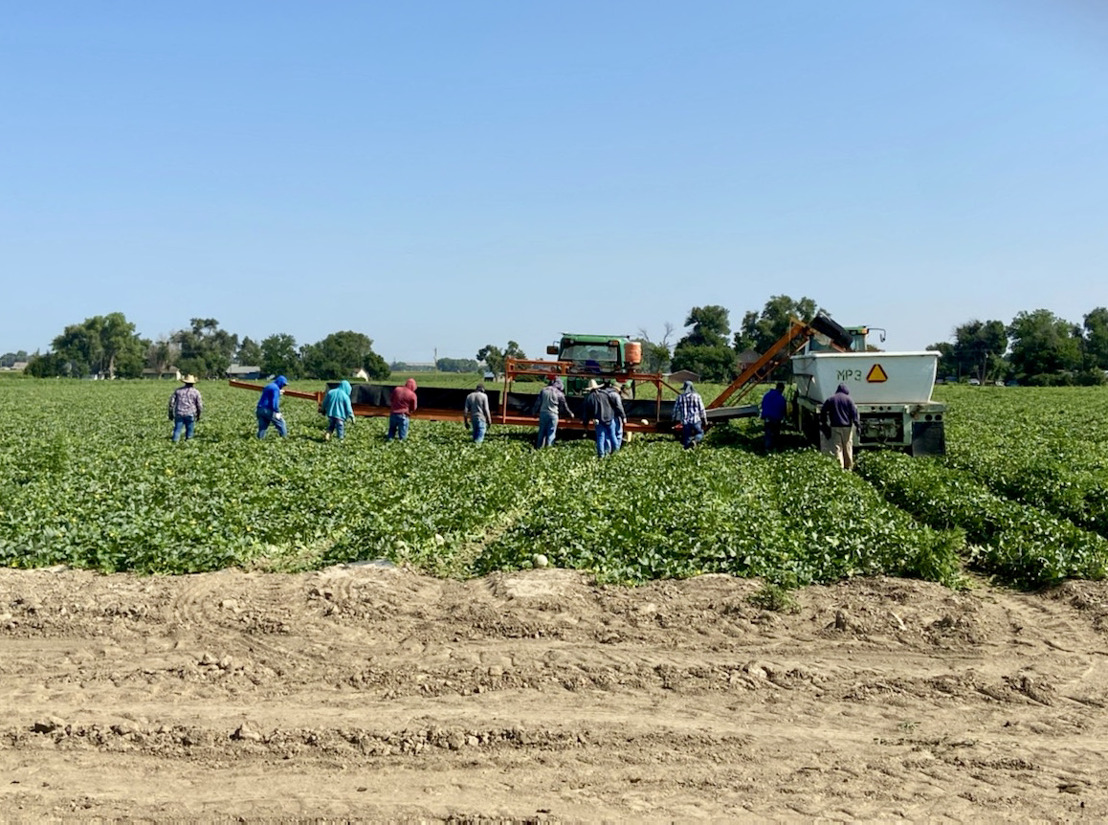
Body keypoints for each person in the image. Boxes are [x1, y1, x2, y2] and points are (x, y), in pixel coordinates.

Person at [820, 382, 860, 469]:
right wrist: (857, 425)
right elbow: (854, 413)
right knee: (847, 446)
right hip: (847, 427)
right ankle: (849, 466)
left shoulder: (831, 399)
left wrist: (824, 422)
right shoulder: (849, 400)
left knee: (837, 447)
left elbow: (823, 410)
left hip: (835, 426)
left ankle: (839, 466)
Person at [532, 377, 571, 448]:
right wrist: (570, 414)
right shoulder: (559, 393)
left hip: (543, 413)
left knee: (542, 431)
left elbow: (538, 403)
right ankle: (548, 448)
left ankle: (538, 447)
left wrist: (534, 412)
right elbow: (564, 406)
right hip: (553, 414)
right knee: (551, 432)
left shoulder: (543, 390)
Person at [582, 379, 618, 457]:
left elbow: (587, 412)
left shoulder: (589, 398)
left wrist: (585, 424)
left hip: (597, 420)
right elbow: (612, 405)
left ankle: (601, 455)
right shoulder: (605, 394)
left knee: (600, 436)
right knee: (612, 435)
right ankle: (616, 452)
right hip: (609, 417)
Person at [672, 380, 708, 450]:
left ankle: (687, 450)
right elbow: (702, 409)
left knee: (686, 437)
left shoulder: (680, 397)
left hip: (685, 422)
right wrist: (705, 420)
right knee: (700, 433)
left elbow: (675, 410)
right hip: (696, 420)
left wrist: (673, 419)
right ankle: (695, 440)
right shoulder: (697, 396)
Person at [168, 374, 202, 442]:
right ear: (193, 383)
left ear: (185, 382)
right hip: (190, 413)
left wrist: (170, 413)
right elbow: (199, 405)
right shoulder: (196, 392)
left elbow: (171, 403)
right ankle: (188, 444)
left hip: (179, 413)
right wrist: (199, 415)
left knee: (177, 430)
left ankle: (174, 443)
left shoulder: (178, 391)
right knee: (190, 431)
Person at [760, 382, 787, 452]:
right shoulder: (781, 398)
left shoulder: (767, 395)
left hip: (767, 418)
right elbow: (783, 409)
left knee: (768, 434)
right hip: (776, 419)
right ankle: (775, 449)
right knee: (775, 434)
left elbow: (763, 405)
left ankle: (767, 449)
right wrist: (783, 418)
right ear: (781, 388)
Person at [602, 380, 627, 450]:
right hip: (615, 415)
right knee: (618, 433)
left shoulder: (604, 394)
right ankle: (616, 449)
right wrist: (623, 416)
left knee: (607, 434)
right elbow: (619, 407)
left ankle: (607, 449)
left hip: (605, 416)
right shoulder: (616, 395)